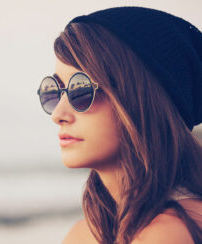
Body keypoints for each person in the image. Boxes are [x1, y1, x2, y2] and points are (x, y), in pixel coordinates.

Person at [37, 6, 202, 244]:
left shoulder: (167, 233)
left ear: (139, 102)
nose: (58, 115)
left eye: (80, 90)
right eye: (54, 92)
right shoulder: (85, 234)